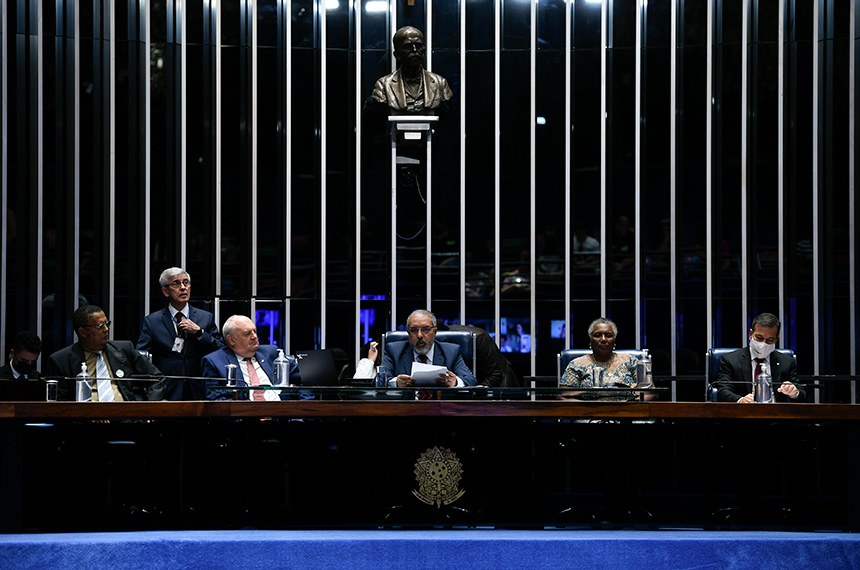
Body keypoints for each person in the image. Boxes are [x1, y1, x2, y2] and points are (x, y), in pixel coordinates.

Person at [136, 267, 224, 400]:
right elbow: (141, 356)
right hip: (167, 388)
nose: (183, 287)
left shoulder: (205, 318)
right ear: (166, 291)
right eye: (176, 284)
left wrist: (199, 333)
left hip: (199, 387)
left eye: (186, 283)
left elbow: (220, 349)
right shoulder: (152, 321)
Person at [44, 305, 164, 401]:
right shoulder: (60, 360)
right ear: (83, 332)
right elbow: (59, 402)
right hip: (85, 422)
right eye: (100, 327)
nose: (106, 330)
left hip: (126, 418)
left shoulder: (124, 349)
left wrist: (149, 408)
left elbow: (157, 378)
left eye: (107, 324)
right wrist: (89, 413)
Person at [202, 315, 300, 401]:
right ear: (231, 340)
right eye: (247, 334)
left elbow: (301, 385)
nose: (254, 337)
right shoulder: (214, 362)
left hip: (282, 415)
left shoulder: (272, 352)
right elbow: (216, 400)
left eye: (255, 332)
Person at [713, 312, 805, 403]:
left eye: (770, 340)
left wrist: (794, 393)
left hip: (777, 414)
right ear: (750, 334)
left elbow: (802, 394)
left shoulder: (787, 362)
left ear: (776, 340)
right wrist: (741, 400)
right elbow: (723, 391)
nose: (763, 344)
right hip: (743, 413)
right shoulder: (730, 360)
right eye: (759, 338)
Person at [376, 310, 476, 388]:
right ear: (408, 333)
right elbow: (378, 382)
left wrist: (455, 382)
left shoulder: (451, 352)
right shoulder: (394, 351)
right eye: (414, 330)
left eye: (426, 329)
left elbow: (471, 381)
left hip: (441, 408)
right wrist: (396, 383)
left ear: (435, 331)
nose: (419, 335)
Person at [369, 26, 453, 116]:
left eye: (418, 45)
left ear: (424, 50)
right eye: (408, 46)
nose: (414, 50)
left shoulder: (440, 83)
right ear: (397, 54)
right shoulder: (383, 86)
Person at [560, 317, 646, 401]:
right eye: (597, 335)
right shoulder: (577, 364)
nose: (603, 339)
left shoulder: (630, 361)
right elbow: (564, 396)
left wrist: (632, 407)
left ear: (614, 341)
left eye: (608, 336)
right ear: (590, 341)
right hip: (588, 412)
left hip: (627, 412)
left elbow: (650, 392)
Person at [437, 323, 521, 387]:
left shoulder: (479, 337)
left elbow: (496, 374)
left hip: (500, 388)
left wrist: (475, 392)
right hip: (470, 385)